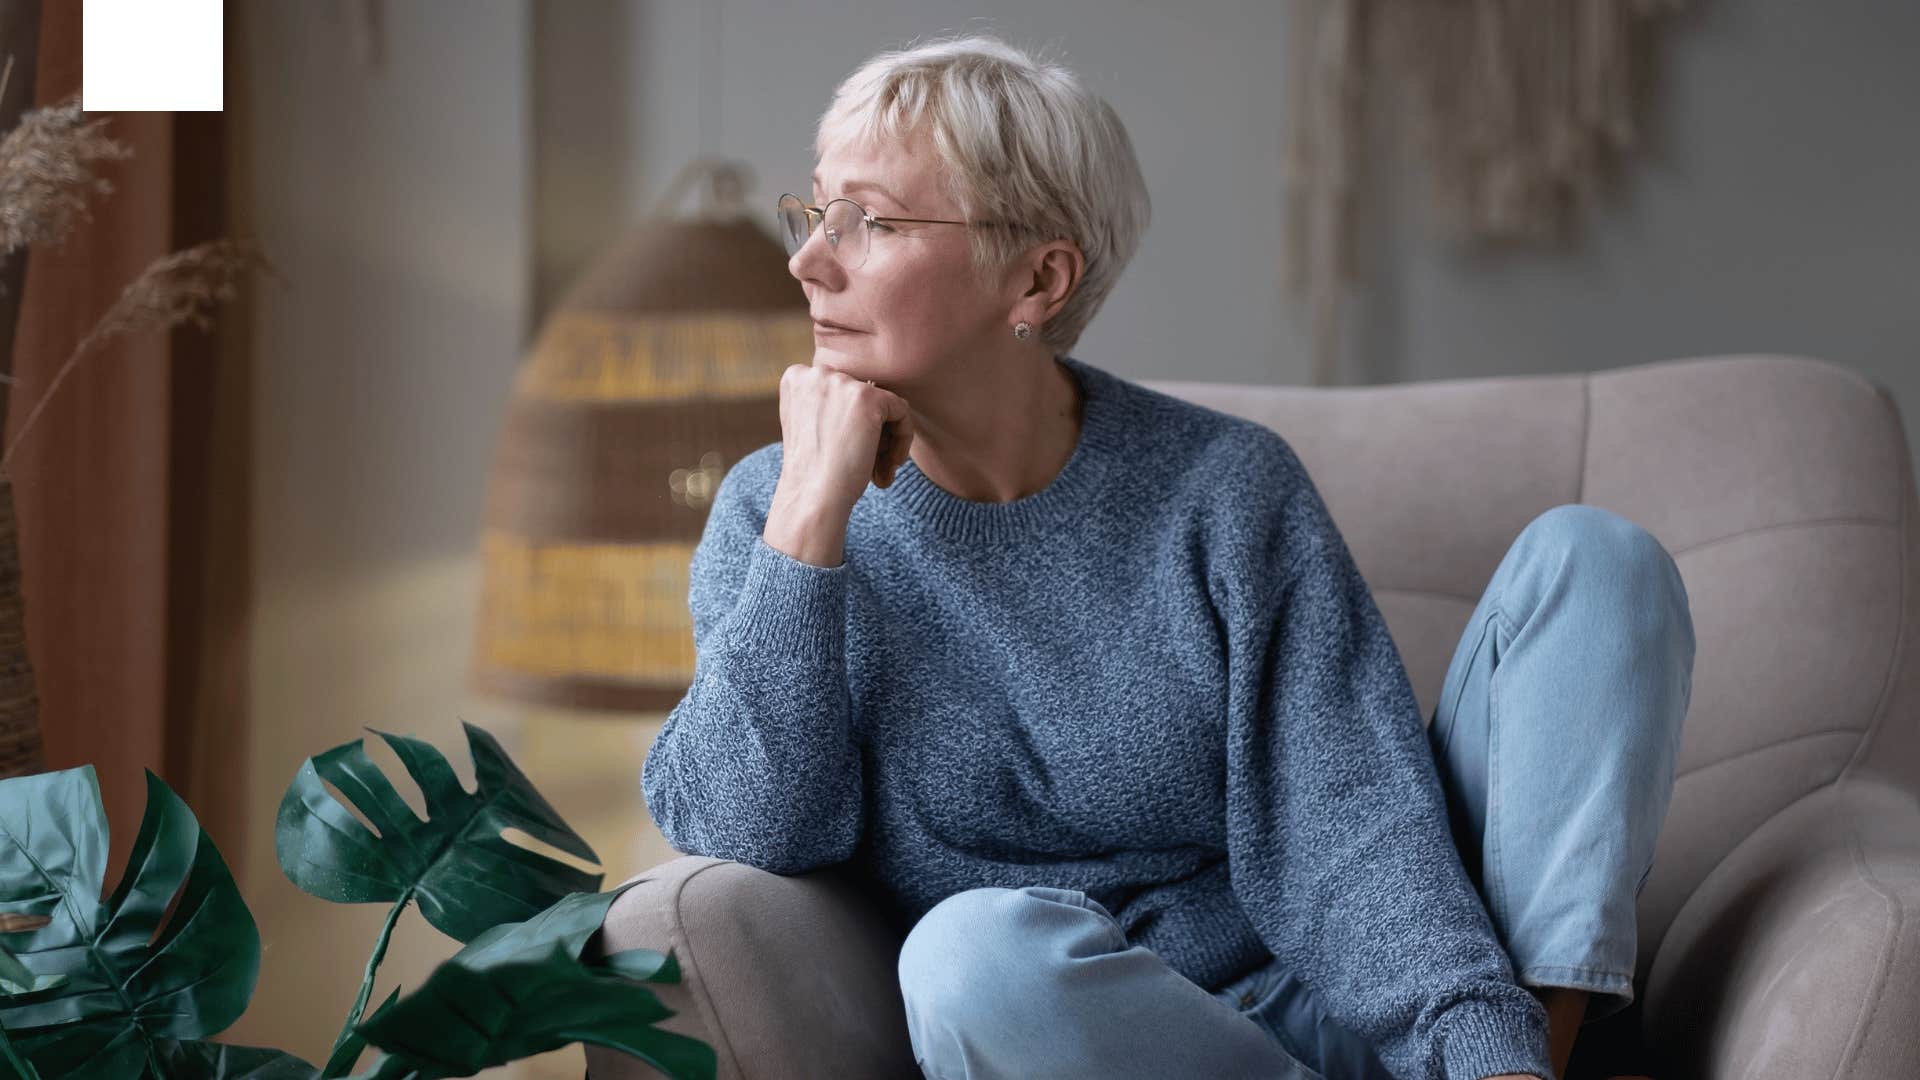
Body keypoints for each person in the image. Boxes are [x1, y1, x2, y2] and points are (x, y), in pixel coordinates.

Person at [641, 32, 1693, 1080]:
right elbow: (749, 833)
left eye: (866, 220)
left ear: (1038, 279)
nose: (808, 259)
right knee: (966, 956)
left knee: (1593, 565)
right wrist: (806, 527)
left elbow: (1345, 813)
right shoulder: (774, 514)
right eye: (815, 212)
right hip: (1097, 1041)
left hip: (1321, 999)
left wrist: (1476, 1043)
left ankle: (1530, 1065)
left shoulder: (1224, 489)